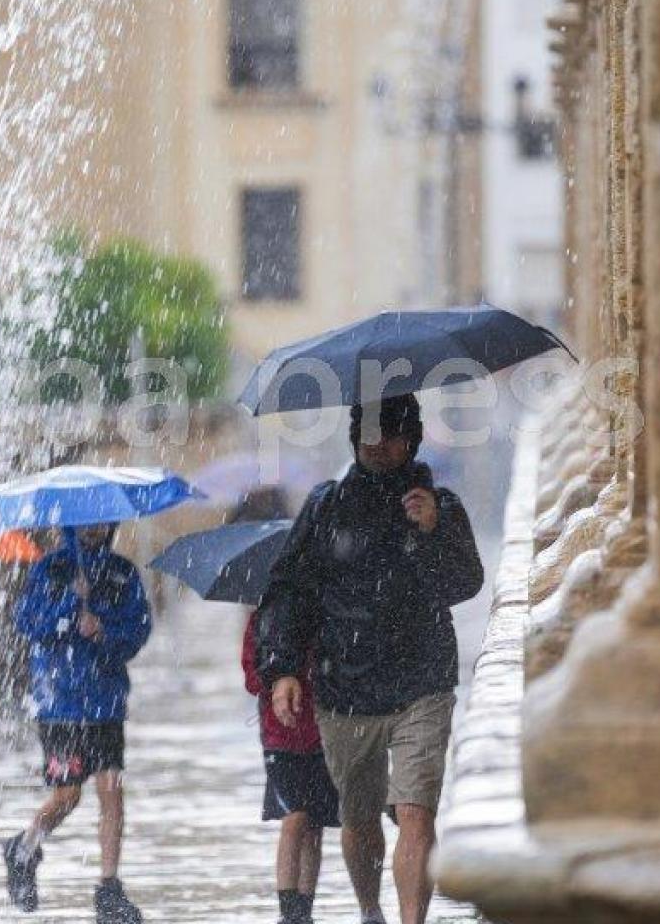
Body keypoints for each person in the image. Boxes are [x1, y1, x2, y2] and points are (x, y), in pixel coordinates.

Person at [255, 393, 485, 924]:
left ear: (413, 440)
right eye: (370, 436)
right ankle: (369, 909)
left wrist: (432, 534)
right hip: (346, 690)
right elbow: (290, 589)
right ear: (355, 439)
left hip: (421, 682)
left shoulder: (440, 506)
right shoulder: (325, 506)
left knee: (414, 811)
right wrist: (283, 668)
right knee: (358, 819)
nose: (380, 446)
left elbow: (465, 582)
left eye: (393, 435)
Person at [3, 523, 152, 924]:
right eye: (88, 522)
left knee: (111, 788)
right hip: (60, 703)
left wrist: (104, 631)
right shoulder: (49, 569)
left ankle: (109, 887)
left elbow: (138, 631)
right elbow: (28, 623)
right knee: (68, 795)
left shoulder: (122, 572)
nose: (96, 529)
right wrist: (70, 608)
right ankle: (22, 849)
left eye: (102, 521)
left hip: (105, 701)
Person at [243, 606, 339, 924]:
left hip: (322, 734)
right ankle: (289, 912)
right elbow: (251, 674)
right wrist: (279, 677)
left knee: (314, 824)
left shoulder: (327, 613)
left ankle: (304, 911)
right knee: (295, 816)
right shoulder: (264, 619)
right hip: (280, 737)